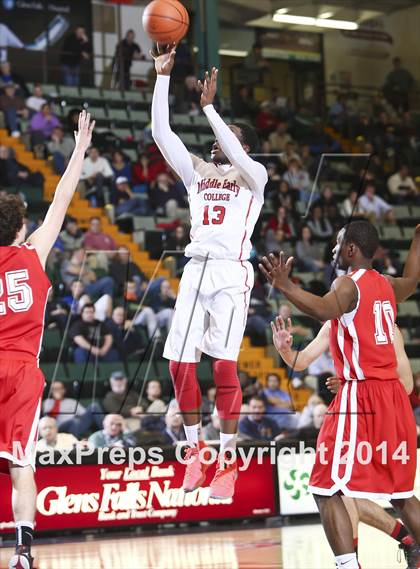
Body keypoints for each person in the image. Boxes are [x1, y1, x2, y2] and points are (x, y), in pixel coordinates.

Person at [260, 220, 420, 569]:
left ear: (351, 249)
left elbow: (322, 307)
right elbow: (412, 280)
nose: (332, 249)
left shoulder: (347, 285)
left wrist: (285, 285)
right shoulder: (387, 287)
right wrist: (417, 240)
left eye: (337, 243)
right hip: (389, 401)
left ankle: (349, 565)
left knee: (323, 483)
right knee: (401, 495)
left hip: (364, 398)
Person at [151, 44, 267, 500]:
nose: (220, 139)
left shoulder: (254, 176)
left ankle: (229, 459)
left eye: (232, 136)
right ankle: (197, 452)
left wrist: (210, 108)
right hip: (196, 268)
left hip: (232, 273)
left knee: (222, 364)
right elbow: (162, 132)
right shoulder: (198, 171)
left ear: (245, 146)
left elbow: (236, 147)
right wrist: (163, 77)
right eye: (220, 134)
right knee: (180, 364)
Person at [0, 110, 94, 569]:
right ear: (20, 228)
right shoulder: (33, 251)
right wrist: (78, 148)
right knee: (22, 465)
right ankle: (22, 553)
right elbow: (61, 199)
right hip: (20, 370)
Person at [272, 314, 419, 566]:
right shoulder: (335, 324)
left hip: (375, 414)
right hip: (364, 414)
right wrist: (285, 349)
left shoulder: (389, 329)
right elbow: (301, 360)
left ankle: (354, 560)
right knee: (343, 491)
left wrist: (357, 386)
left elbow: (405, 384)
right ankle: (367, 555)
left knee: (335, 487)